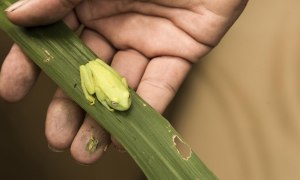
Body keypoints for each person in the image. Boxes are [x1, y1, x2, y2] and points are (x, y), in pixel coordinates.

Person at [0, 0, 248, 164]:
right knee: (91, 74)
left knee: (110, 86)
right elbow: (112, 81)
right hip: (98, 74)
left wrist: (118, 94)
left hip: (109, 76)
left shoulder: (123, 95)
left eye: (127, 98)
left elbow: (121, 82)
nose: (126, 101)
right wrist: (98, 98)